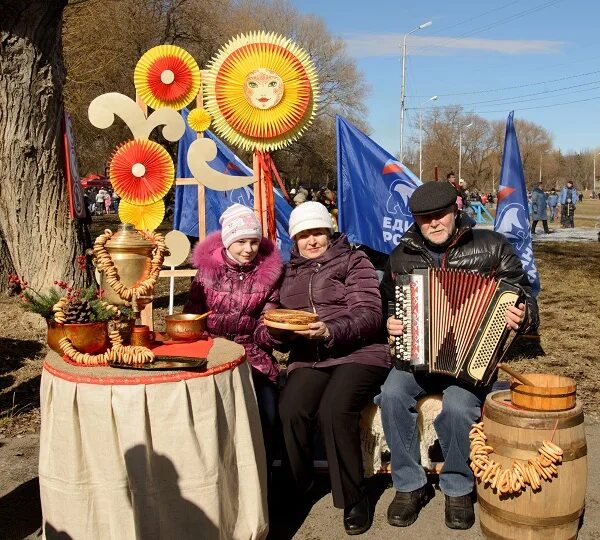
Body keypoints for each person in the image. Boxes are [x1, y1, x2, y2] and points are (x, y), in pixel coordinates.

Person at [376, 181, 539, 531]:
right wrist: (390, 322)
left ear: (456, 209)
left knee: (460, 407)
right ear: (416, 221)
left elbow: (524, 294)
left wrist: (523, 315)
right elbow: (388, 303)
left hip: (471, 362)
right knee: (390, 395)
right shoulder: (401, 255)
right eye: (424, 219)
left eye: (440, 215)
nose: (434, 223)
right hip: (416, 356)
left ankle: (457, 486)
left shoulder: (492, 246)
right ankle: (409, 485)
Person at [275, 201, 391, 535]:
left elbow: (370, 313)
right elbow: (281, 326)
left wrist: (330, 329)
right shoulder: (288, 272)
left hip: (360, 351)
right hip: (310, 355)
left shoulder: (354, 260)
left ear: (329, 232)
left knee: (334, 409)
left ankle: (354, 496)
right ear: (294, 239)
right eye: (303, 235)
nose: (311, 241)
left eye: (317, 232)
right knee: (291, 409)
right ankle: (300, 486)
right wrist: (277, 331)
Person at [183, 203, 283, 475]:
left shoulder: (268, 276)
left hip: (252, 354)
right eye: (241, 242)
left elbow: (266, 320)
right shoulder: (206, 272)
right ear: (228, 242)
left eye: (253, 241)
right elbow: (192, 317)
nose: (248, 249)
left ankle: (263, 476)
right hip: (211, 351)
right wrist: (204, 346)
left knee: (268, 415)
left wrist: (273, 334)